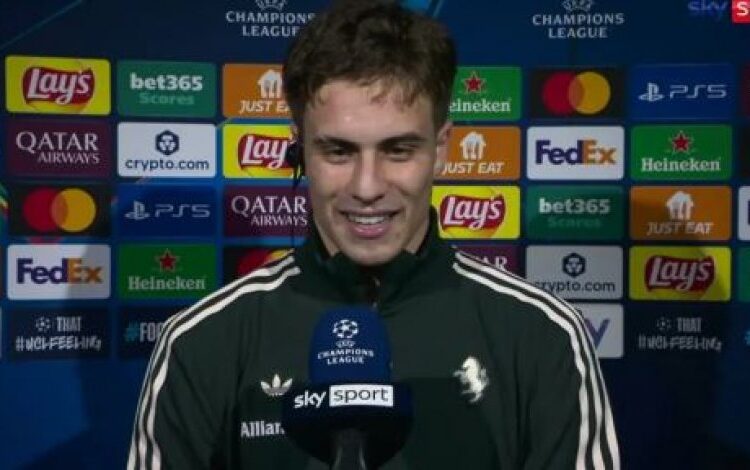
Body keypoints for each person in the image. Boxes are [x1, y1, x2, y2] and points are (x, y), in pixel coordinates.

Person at [127, 1, 620, 468]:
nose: (367, 187)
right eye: (338, 151)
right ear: (300, 151)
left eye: (398, 150)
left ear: (442, 149)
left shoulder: (541, 337)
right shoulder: (203, 343)